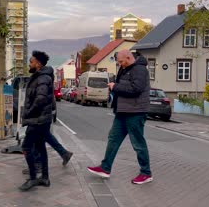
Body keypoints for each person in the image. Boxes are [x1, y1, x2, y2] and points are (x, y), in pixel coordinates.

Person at [87, 49, 153, 185]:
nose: (120, 65)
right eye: (119, 62)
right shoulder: (125, 68)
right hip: (123, 111)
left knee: (138, 143)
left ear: (129, 57)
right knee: (113, 139)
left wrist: (115, 86)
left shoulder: (140, 69)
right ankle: (105, 168)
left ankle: (146, 173)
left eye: (122, 62)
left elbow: (136, 89)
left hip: (136, 111)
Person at [19, 50, 54, 191]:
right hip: (41, 119)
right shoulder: (41, 76)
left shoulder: (43, 78)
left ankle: (33, 178)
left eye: (31, 61)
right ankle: (44, 178)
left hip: (38, 120)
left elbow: (41, 99)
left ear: (38, 64)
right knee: (40, 147)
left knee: (26, 147)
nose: (30, 64)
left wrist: (28, 111)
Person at [21, 94, 74, 175]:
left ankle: (37, 164)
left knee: (35, 139)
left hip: (39, 116)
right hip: (44, 115)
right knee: (46, 136)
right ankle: (64, 154)